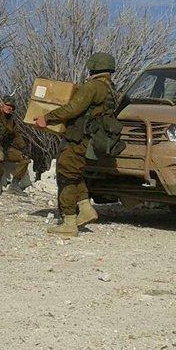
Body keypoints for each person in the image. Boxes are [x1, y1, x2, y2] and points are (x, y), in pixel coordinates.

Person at [36, 52, 120, 236]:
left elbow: (73, 108)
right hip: (89, 141)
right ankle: (85, 208)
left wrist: (47, 118)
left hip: (78, 139)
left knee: (66, 176)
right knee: (75, 173)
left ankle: (69, 222)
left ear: (94, 68)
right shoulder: (110, 89)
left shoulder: (93, 87)